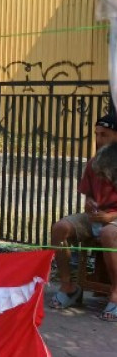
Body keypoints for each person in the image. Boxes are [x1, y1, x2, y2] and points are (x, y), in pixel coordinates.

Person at [49, 113, 117, 321]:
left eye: (104, 135)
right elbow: (88, 192)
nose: (98, 140)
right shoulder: (94, 162)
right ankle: (69, 286)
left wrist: (110, 216)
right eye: (96, 134)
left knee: (108, 233)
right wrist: (89, 203)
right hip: (96, 216)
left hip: (112, 219)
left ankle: (115, 293)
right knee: (59, 228)